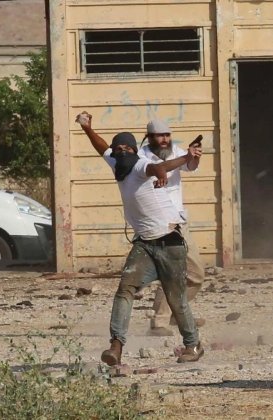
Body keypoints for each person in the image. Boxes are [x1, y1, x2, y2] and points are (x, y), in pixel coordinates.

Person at [76, 111, 205, 366]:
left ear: (135, 150)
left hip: (170, 240)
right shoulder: (117, 164)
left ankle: (193, 344)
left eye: (127, 148)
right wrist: (88, 129)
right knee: (125, 289)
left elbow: (157, 166)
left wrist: (162, 172)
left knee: (176, 298)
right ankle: (116, 346)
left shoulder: (138, 164)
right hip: (144, 243)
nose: (122, 151)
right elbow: (102, 147)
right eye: (118, 148)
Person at [135, 119, 208, 333]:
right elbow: (161, 168)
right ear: (149, 138)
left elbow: (190, 167)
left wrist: (193, 157)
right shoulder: (141, 158)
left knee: (195, 274)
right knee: (171, 273)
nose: (165, 139)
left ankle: (177, 312)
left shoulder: (176, 150)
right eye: (160, 135)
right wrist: (185, 157)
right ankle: (160, 321)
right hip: (158, 224)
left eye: (167, 135)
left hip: (178, 222)